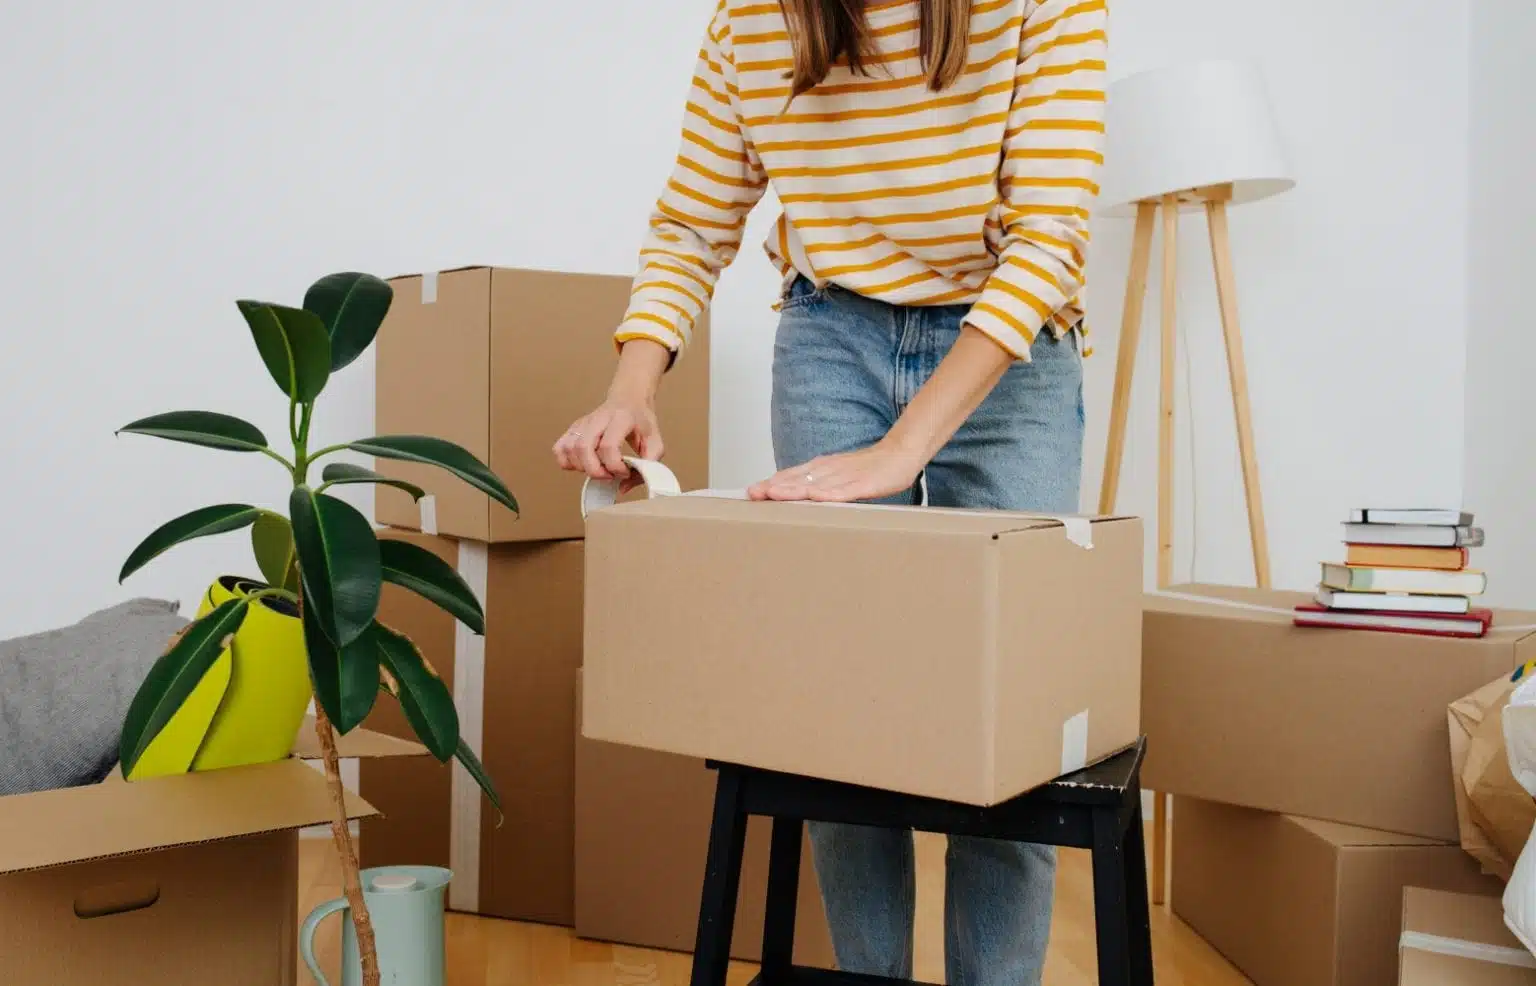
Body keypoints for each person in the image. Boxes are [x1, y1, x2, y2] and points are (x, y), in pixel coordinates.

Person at [554, 0, 1106, 983]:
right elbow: (693, 217)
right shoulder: (752, 19)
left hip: (1006, 352)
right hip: (831, 333)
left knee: (1014, 717)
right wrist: (632, 385)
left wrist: (901, 448)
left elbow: (1049, 236)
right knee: (838, 708)